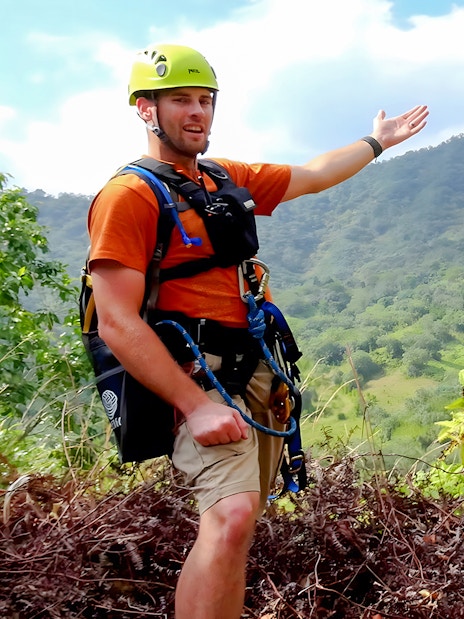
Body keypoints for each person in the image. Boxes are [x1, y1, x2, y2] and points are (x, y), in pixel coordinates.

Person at [87, 43, 428, 619]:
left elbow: (313, 175)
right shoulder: (128, 197)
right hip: (196, 377)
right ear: (146, 110)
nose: (197, 113)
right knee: (232, 513)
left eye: (205, 101)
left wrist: (378, 142)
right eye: (180, 101)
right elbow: (116, 320)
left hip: (255, 371)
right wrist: (194, 405)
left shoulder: (224, 178)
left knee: (238, 523)